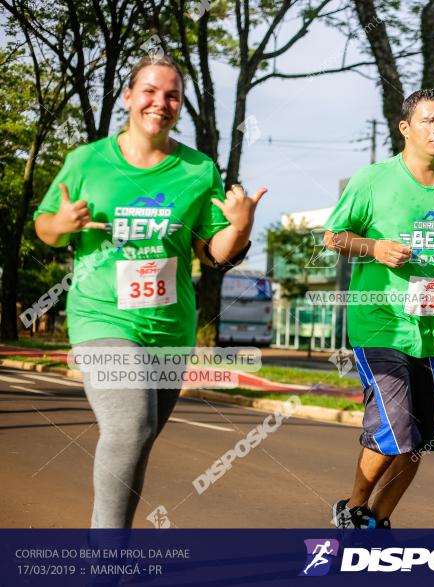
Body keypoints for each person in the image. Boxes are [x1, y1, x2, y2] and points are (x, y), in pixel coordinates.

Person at [33, 55, 266, 528]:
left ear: (180, 105)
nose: (160, 102)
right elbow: (45, 226)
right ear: (128, 97)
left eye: (172, 95)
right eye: (150, 91)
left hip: (169, 328)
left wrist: (241, 228)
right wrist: (61, 224)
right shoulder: (87, 161)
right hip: (103, 317)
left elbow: (211, 251)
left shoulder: (198, 169)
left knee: (139, 441)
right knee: (131, 427)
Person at [323, 89, 434, 528]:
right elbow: (333, 236)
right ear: (405, 128)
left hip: (432, 329)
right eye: (428, 121)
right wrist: (373, 246)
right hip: (379, 324)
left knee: (420, 441)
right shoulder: (373, 180)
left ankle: (375, 520)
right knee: (397, 427)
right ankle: (353, 507)